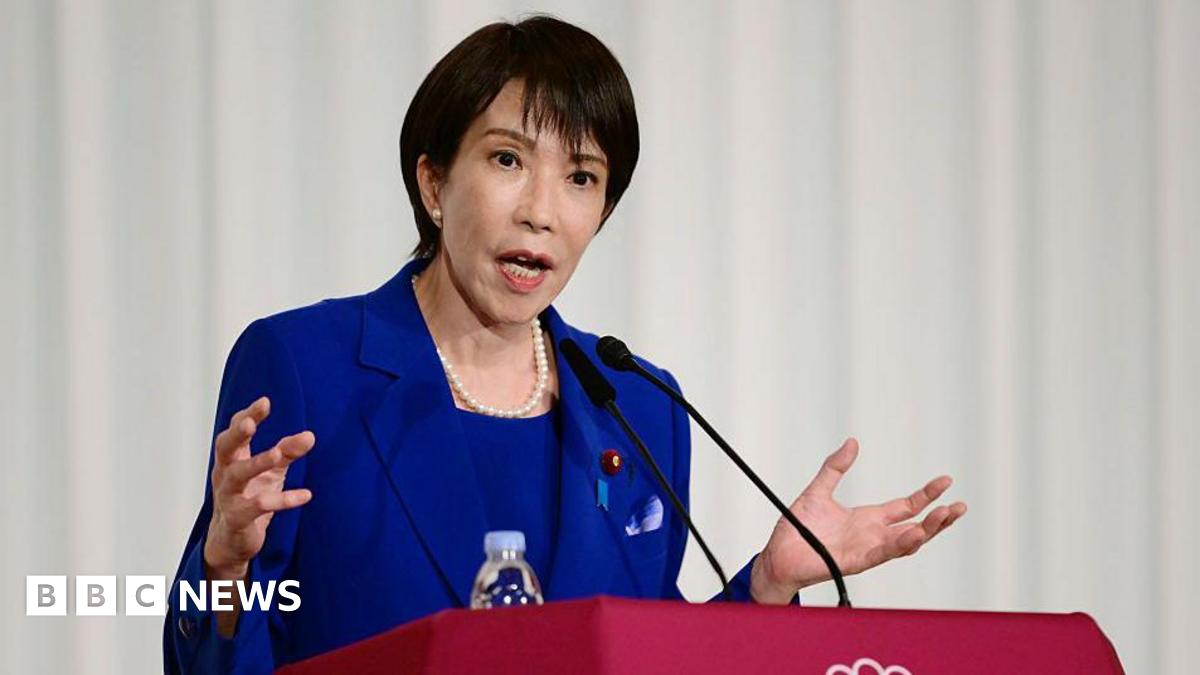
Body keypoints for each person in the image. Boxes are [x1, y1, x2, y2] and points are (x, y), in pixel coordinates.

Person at [164, 15, 966, 673]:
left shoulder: (639, 406)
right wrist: (225, 567)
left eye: (581, 176)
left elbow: (650, 655)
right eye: (508, 159)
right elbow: (203, 660)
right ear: (434, 183)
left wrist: (766, 583)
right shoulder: (306, 368)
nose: (542, 209)